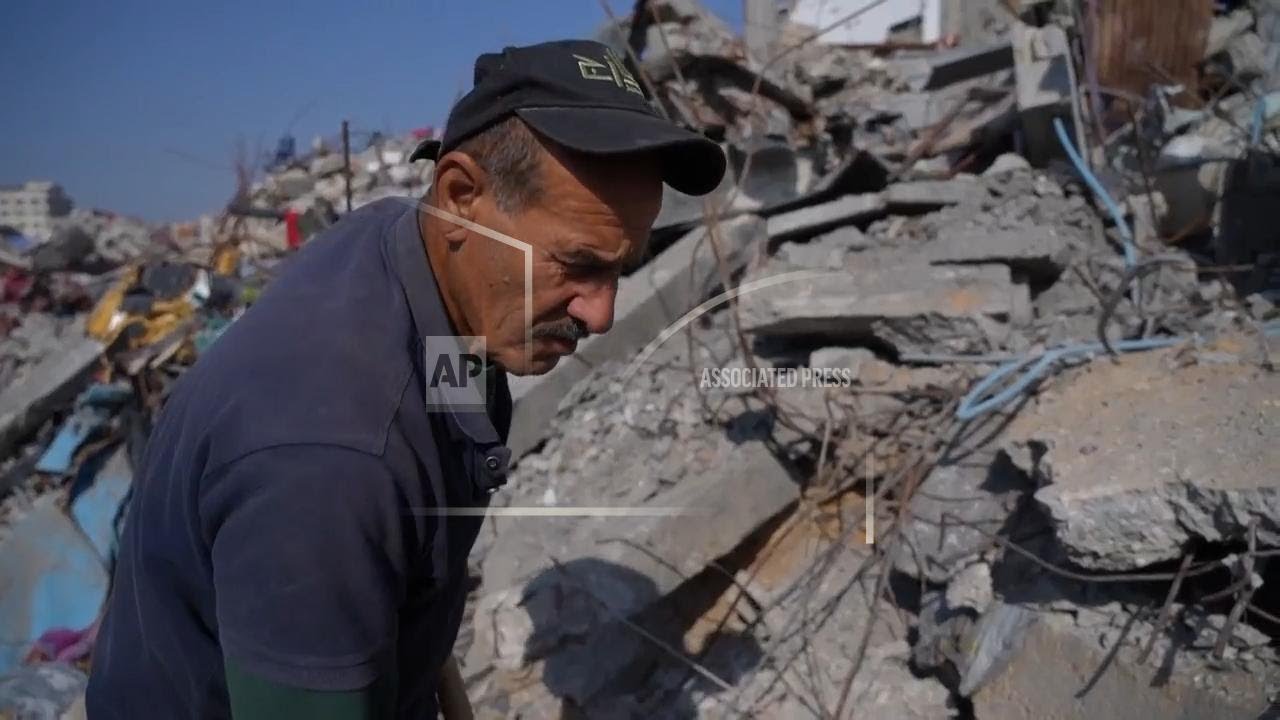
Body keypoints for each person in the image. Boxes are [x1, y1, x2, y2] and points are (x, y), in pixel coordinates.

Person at [86, 39, 726, 719]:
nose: (601, 314)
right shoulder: (331, 462)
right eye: (578, 264)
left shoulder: (423, 270)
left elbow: (434, 444)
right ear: (461, 196)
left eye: (621, 268)